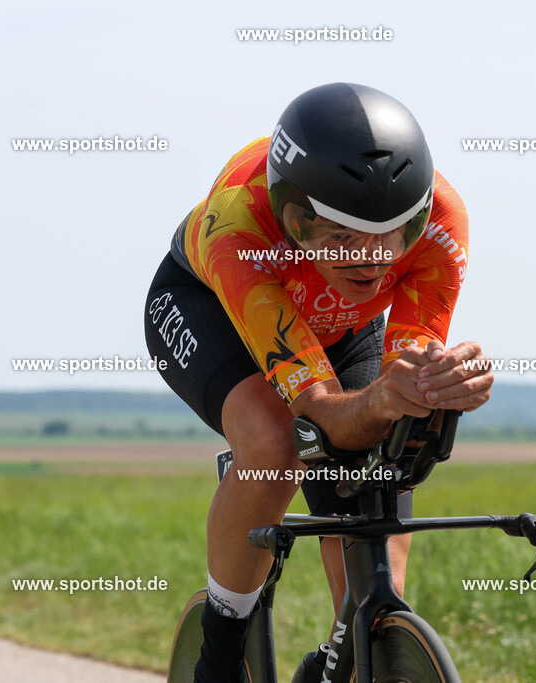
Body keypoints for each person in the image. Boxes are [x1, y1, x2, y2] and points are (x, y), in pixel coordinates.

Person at [144, 82, 493, 682]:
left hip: (343, 329)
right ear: (294, 218)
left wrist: (432, 384)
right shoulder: (241, 226)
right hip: (215, 308)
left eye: (392, 236)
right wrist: (377, 399)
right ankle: (220, 657)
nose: (373, 259)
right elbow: (321, 411)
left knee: (379, 470)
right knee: (278, 444)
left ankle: (347, 657)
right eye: (343, 236)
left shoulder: (442, 220)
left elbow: (398, 381)